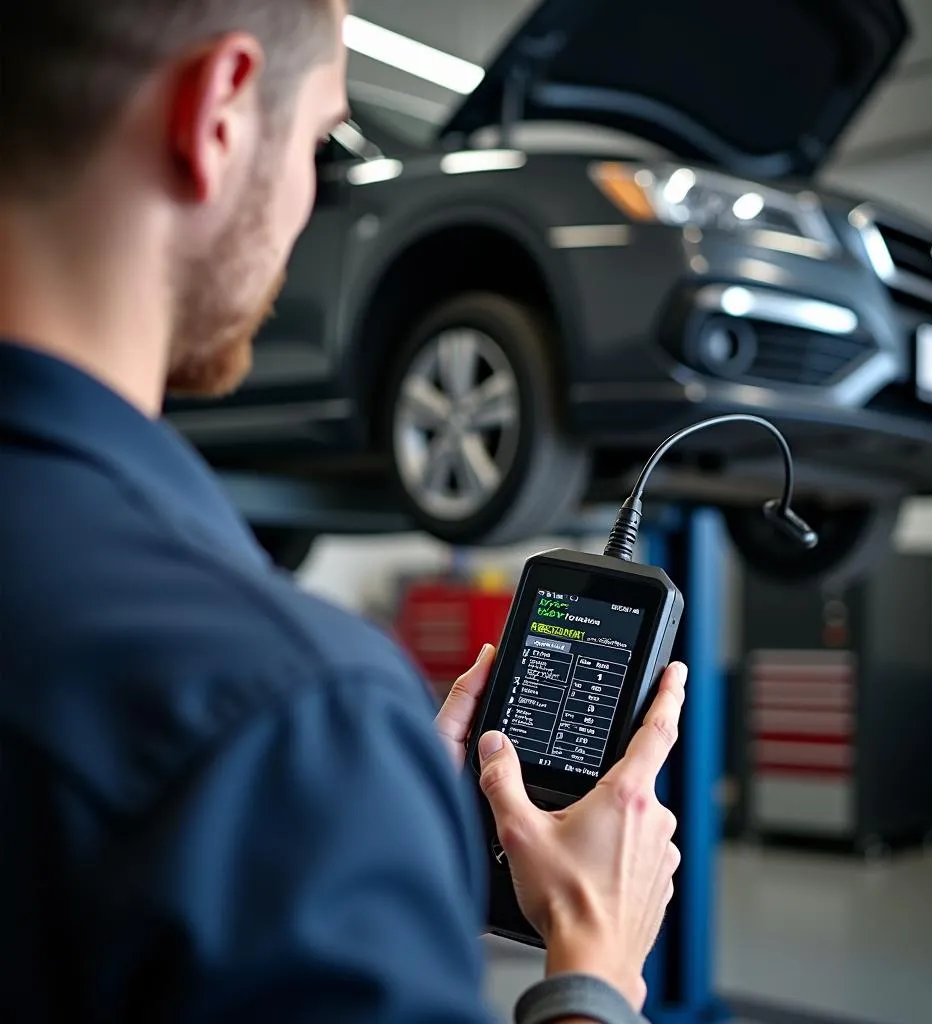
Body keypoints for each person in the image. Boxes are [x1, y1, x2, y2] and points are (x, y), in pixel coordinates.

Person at [0, 2, 687, 1021]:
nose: (308, 195)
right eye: (320, 138)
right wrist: (594, 964)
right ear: (218, 114)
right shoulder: (286, 715)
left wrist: (374, 868)